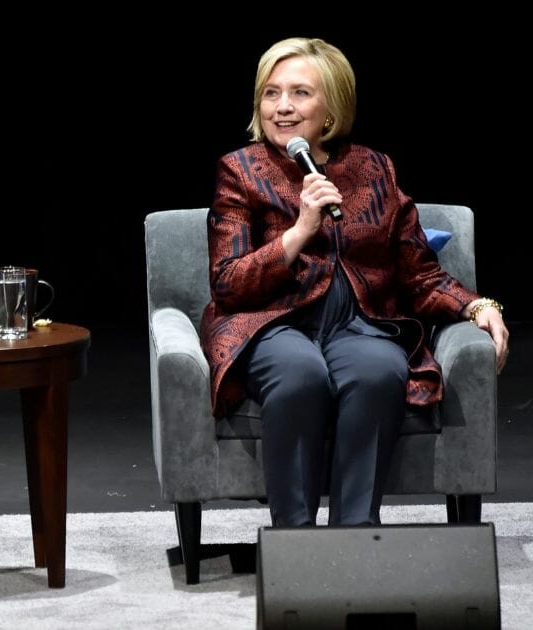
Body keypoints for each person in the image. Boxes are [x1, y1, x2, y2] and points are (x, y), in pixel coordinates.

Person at [200, 37, 509, 527]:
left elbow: (418, 271)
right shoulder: (240, 170)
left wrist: (476, 306)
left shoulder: (374, 169)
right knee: (299, 377)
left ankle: (356, 540)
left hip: (359, 323)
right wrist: (301, 230)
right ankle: (296, 544)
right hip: (272, 322)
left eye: (300, 93)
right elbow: (229, 283)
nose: (282, 107)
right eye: (271, 93)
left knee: (379, 373)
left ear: (331, 107)